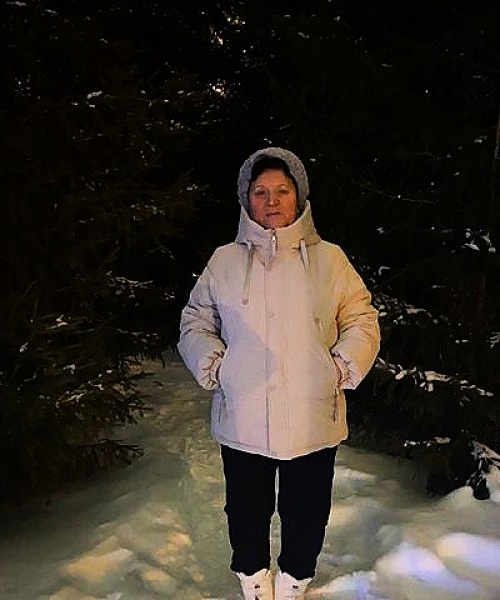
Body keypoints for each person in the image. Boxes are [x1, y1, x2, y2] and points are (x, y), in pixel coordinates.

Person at [177, 147, 380, 600]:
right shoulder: (224, 261)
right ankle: (253, 581)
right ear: (246, 199)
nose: (272, 201)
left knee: (307, 511)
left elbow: (361, 318)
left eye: (282, 191)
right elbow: (196, 321)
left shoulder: (330, 260)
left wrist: (340, 367)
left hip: (312, 416)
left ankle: (293, 583)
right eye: (261, 192)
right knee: (245, 512)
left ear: (299, 196)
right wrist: (216, 366)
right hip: (243, 414)